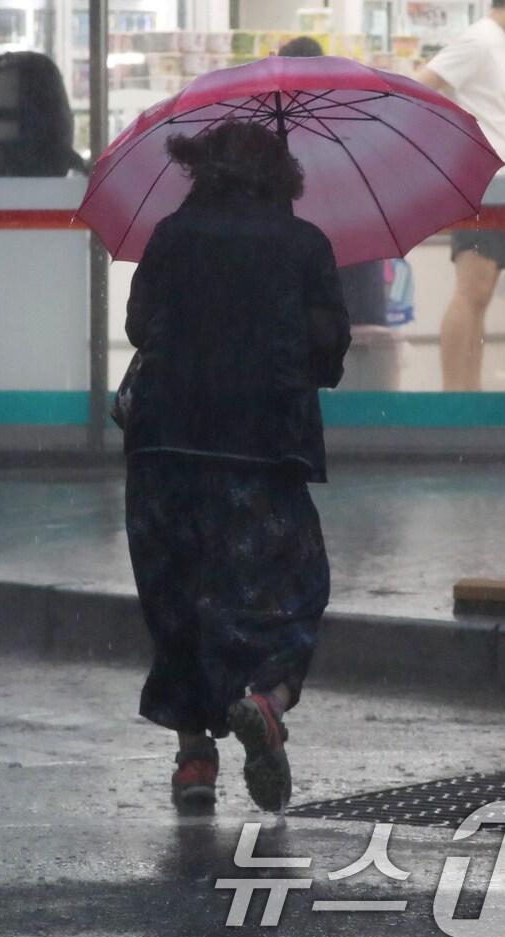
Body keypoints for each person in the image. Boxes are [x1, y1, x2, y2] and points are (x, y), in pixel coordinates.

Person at [120, 120, 350, 813]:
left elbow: (139, 326)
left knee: (179, 598)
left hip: (163, 446)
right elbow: (328, 353)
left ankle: (194, 758)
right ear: (282, 177)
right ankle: (267, 698)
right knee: (293, 587)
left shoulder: (169, 235)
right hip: (260, 449)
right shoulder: (303, 243)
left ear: (204, 172)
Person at [416, 0, 505, 390]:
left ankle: (469, 392)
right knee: (471, 289)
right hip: (481, 183)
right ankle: (454, 395)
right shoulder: (478, 41)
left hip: (503, 183)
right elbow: (421, 83)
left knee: (483, 292)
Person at [278, 35, 389, 331]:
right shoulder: (353, 121)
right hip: (358, 260)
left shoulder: (272, 134)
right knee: (361, 356)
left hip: (299, 272)